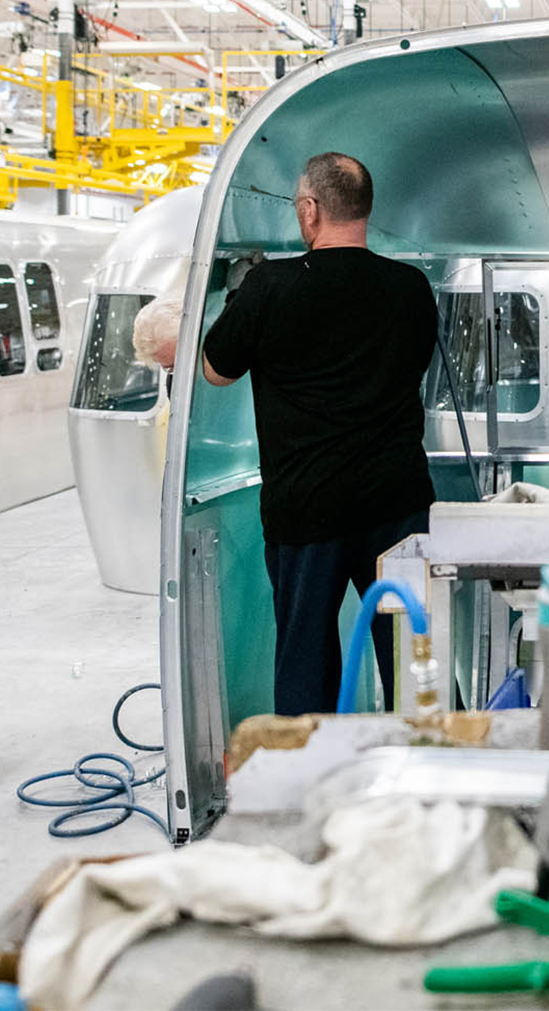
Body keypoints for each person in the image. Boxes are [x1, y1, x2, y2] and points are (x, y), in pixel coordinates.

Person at [201, 153, 439, 715]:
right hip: (397, 506)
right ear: (363, 209)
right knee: (413, 657)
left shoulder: (269, 286)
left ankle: (308, 786)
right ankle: (434, 774)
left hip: (306, 508)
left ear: (310, 211)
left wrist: (240, 297)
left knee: (306, 659)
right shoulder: (410, 288)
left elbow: (215, 368)